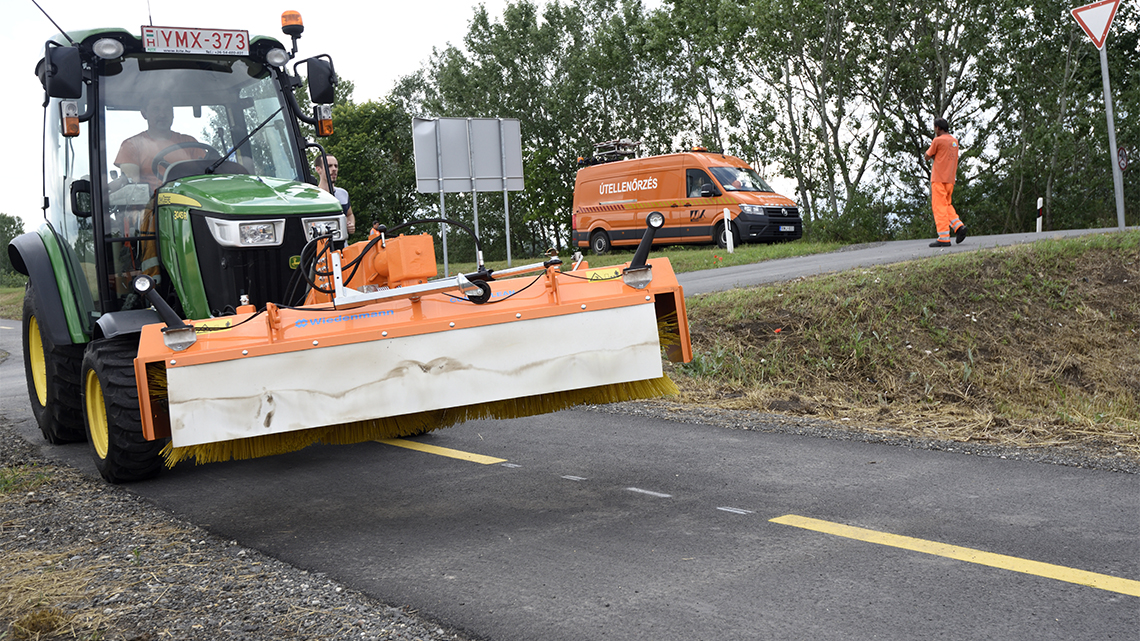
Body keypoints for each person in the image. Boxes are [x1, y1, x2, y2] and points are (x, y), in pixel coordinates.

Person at [112, 97, 204, 192]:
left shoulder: (190, 143)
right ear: (144, 114)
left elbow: (206, 174)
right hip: (150, 205)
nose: (163, 115)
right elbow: (131, 186)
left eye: (167, 109)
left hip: (189, 202)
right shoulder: (131, 145)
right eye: (156, 109)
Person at [925, 117, 966, 248]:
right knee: (947, 205)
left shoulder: (937, 140)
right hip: (950, 179)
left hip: (938, 178)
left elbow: (927, 156)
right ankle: (958, 226)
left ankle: (943, 237)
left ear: (938, 128)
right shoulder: (954, 142)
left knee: (939, 208)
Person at [314, 154, 356, 235]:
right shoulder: (313, 196)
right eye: (329, 166)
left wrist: (351, 224)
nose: (334, 169)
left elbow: (349, 214)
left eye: (336, 166)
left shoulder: (343, 194)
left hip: (343, 245)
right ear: (318, 169)